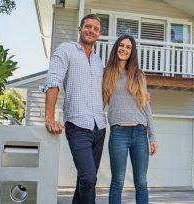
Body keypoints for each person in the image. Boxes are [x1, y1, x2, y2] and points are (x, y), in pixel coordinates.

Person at [41, 14, 106, 204]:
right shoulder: (66, 50)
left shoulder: (98, 61)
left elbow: (109, 87)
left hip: (100, 127)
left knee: (84, 181)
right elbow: (53, 81)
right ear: (80, 29)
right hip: (78, 126)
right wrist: (49, 117)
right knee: (88, 178)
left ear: (99, 34)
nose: (91, 30)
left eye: (95, 28)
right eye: (87, 26)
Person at [103, 34, 158, 204]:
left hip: (140, 133)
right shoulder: (107, 73)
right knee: (117, 182)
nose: (124, 49)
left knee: (141, 182)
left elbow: (145, 106)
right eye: (121, 45)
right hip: (118, 133)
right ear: (116, 47)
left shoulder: (139, 75)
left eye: (128, 47)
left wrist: (152, 136)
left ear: (132, 51)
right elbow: (100, 102)